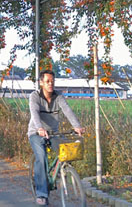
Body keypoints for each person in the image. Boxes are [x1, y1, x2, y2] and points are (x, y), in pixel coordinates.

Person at [28, 70, 86, 205]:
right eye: (47, 81)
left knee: (65, 153)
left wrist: (77, 126)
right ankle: (42, 194)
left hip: (53, 133)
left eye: (52, 81)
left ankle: (61, 172)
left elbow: (67, 110)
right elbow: (34, 113)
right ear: (41, 82)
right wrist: (39, 128)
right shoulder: (35, 96)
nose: (50, 84)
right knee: (41, 157)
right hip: (36, 133)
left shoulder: (58, 96)